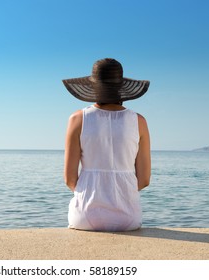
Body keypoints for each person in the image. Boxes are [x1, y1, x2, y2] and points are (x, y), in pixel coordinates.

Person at [62, 58, 151, 232]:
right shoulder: (139, 121)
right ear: (121, 89)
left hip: (85, 216)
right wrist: (118, 191)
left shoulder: (78, 119)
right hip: (128, 217)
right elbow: (144, 180)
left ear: (93, 87)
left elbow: (70, 179)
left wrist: (94, 191)